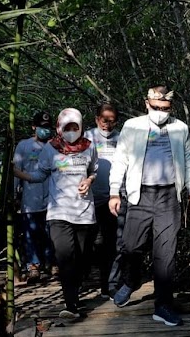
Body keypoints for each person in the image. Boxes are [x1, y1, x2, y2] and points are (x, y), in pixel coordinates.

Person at [108, 85, 190, 327]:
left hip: (169, 197)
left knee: (166, 254)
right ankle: (131, 280)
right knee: (130, 247)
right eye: (156, 107)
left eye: (166, 108)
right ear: (146, 103)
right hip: (140, 195)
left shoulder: (179, 128)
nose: (161, 112)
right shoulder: (133, 126)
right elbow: (120, 160)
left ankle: (163, 306)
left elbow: (189, 160)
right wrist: (113, 192)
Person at [22, 108, 98, 320]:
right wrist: (18, 173)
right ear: (60, 128)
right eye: (67, 128)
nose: (71, 131)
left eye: (75, 127)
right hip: (59, 212)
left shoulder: (89, 148)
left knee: (82, 259)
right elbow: (40, 174)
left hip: (84, 212)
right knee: (65, 257)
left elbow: (94, 171)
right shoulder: (50, 149)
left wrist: (89, 180)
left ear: (81, 127)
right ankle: (71, 304)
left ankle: (77, 285)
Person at [83, 103, 121, 299]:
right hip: (88, 199)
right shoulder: (86, 138)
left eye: (111, 120)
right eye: (103, 119)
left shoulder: (122, 138)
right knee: (85, 243)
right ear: (96, 119)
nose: (107, 124)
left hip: (112, 199)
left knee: (111, 243)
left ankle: (109, 285)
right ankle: (82, 281)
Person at [13, 111, 56, 281]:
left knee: (51, 233)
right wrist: (14, 195)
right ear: (34, 127)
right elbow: (16, 171)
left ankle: (51, 263)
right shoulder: (23, 146)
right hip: (30, 200)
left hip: (53, 200)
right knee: (31, 233)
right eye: (41, 127)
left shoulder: (55, 146)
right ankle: (33, 265)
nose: (45, 131)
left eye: (47, 128)